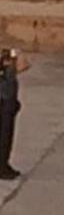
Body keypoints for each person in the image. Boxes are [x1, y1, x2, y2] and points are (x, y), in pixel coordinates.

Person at [0, 48, 29, 180]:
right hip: (4, 102)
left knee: (6, 136)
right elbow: (23, 65)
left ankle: (4, 165)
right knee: (4, 137)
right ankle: (2, 167)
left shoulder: (9, 66)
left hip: (8, 102)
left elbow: (24, 65)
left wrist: (15, 55)